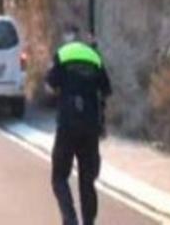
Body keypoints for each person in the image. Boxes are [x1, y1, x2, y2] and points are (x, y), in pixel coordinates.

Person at [46, 27, 111, 225]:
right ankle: (89, 222)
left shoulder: (62, 55)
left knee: (59, 177)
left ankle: (70, 219)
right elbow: (107, 90)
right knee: (87, 180)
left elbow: (49, 86)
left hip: (67, 124)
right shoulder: (95, 58)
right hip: (90, 126)